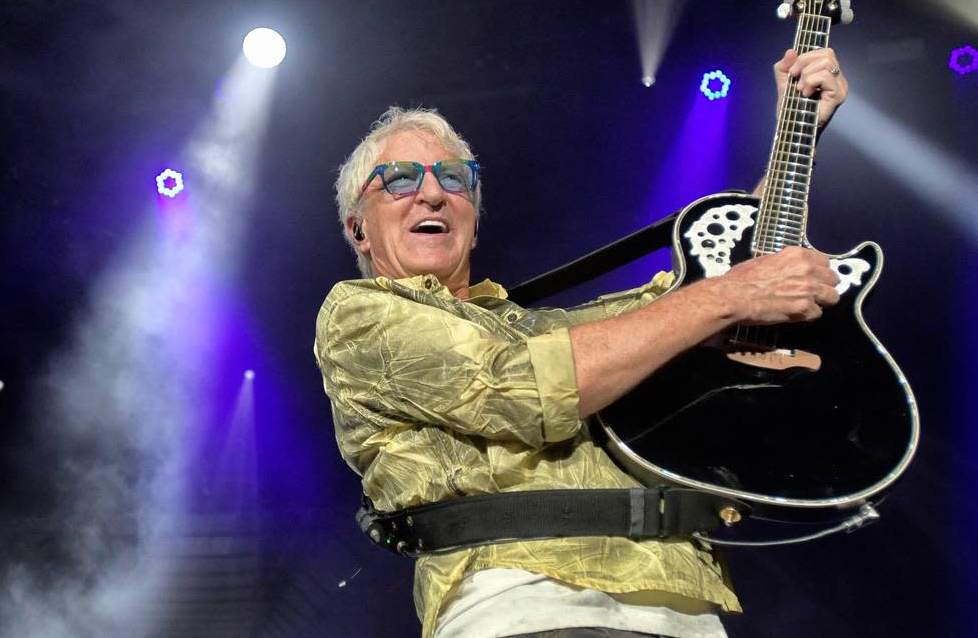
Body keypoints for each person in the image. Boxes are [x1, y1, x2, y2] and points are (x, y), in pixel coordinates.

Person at [315, 48, 848, 638]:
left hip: (684, 611)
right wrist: (726, 296)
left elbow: (724, 287)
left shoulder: (565, 330)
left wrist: (795, 135)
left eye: (453, 178)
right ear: (357, 227)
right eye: (399, 180)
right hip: (526, 607)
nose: (433, 194)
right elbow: (522, 386)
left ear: (473, 214)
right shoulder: (361, 315)